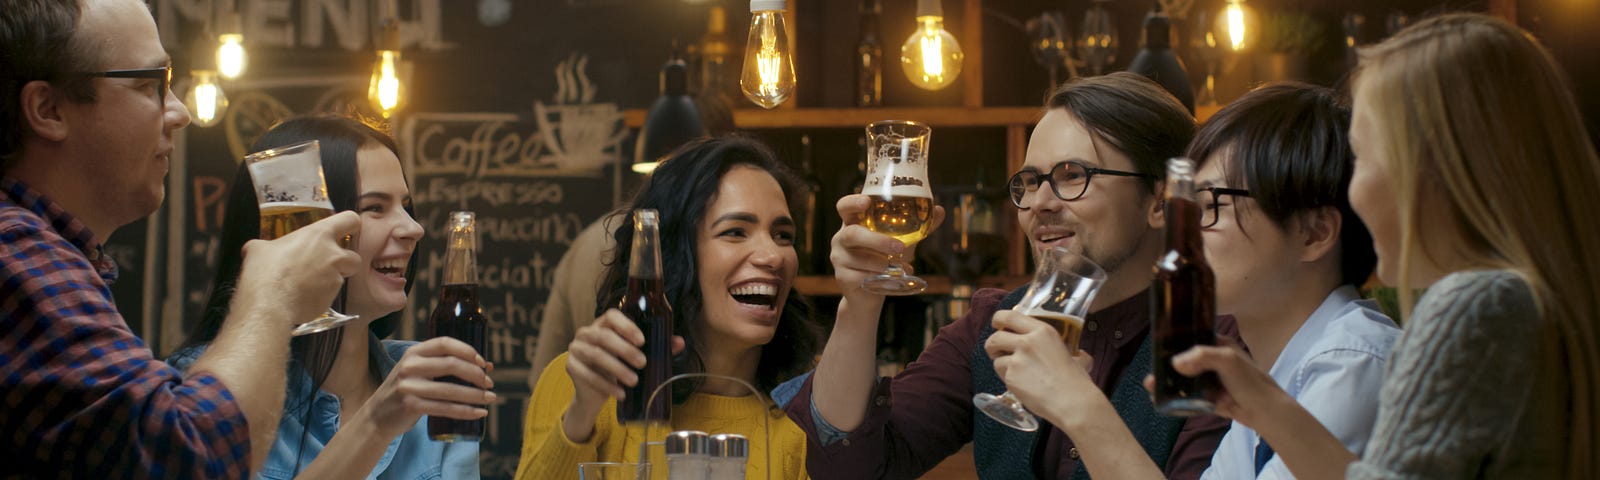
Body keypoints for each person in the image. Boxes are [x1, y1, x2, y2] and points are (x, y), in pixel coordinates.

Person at [1171, 13, 1600, 479]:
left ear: (1434, 172)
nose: (1351, 191)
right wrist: (1265, 405)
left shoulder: (1476, 304)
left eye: (1365, 157)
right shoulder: (1522, 304)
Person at [786, 72, 1231, 479]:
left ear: (1160, 201)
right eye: (1030, 181)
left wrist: (1082, 410)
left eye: (1071, 175)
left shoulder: (1221, 346)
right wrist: (860, 302)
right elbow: (848, 467)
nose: (1039, 203)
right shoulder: (991, 324)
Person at [0, 0, 362, 476]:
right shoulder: (16, 253)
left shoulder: (48, 253)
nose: (181, 113)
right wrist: (271, 294)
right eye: (152, 85)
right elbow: (191, 457)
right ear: (48, 109)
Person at [984, 83, 1399, 479]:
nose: (1182, 231)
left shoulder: (1352, 362)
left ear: (1314, 233)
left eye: (1209, 205)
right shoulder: (1266, 378)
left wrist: (1079, 407)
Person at [166, 115, 492, 478]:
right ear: (300, 232)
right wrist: (377, 419)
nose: (414, 229)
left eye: (405, 206)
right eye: (374, 208)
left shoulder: (430, 382)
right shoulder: (201, 387)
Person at [515, 136, 822, 480]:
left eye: (783, 236)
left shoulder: (807, 416)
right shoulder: (583, 389)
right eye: (735, 231)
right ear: (673, 257)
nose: (773, 256)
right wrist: (581, 415)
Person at [531, 214, 621, 389]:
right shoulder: (674, 233)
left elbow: (543, 378)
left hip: (583, 408)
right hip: (661, 406)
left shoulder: (588, 241)